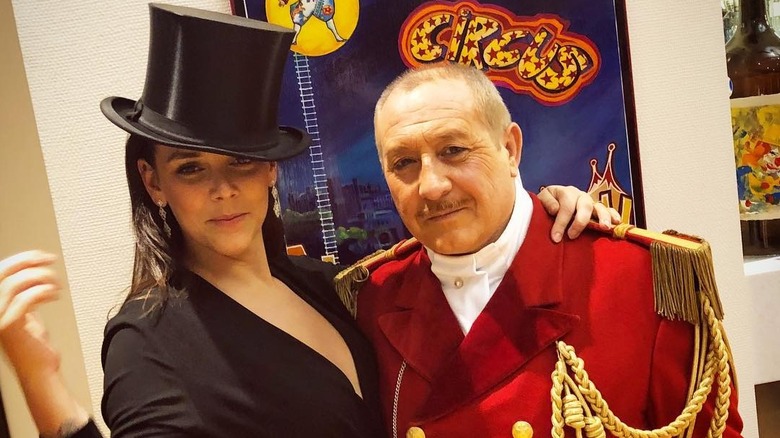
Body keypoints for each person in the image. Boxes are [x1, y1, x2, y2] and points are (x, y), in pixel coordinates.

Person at [0, 4, 617, 438]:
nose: (223, 190)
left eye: (242, 162)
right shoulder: (150, 337)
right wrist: (42, 382)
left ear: (271, 171)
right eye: (191, 170)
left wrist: (541, 214)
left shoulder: (333, 286)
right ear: (153, 182)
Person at [354, 63, 744, 438]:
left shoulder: (644, 280)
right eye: (403, 162)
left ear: (509, 148)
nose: (431, 185)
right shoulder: (373, 299)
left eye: (453, 150)